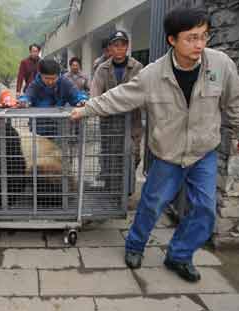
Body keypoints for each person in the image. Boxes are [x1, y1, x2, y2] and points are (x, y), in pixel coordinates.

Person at [71, 7, 239, 282]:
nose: (200, 44)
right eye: (191, 38)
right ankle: (135, 246)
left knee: (205, 209)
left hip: (203, 152)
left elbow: (234, 103)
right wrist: (86, 109)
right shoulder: (152, 74)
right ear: (172, 40)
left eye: (204, 37)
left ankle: (179, 255)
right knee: (151, 204)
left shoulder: (220, 65)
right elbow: (119, 97)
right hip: (167, 153)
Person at [91, 30, 144, 192]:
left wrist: (114, 103)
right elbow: (95, 93)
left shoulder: (137, 67)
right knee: (109, 156)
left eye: (123, 45)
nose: (119, 49)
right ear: (110, 48)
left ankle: (126, 190)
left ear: (127, 47)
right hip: (109, 122)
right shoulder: (102, 69)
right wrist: (96, 105)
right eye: (115, 45)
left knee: (132, 154)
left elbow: (139, 92)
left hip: (132, 122)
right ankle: (112, 191)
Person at [19, 58, 88, 136]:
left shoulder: (64, 82)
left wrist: (82, 100)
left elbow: (75, 94)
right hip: (39, 127)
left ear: (58, 75)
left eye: (53, 78)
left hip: (59, 127)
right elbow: (28, 96)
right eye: (47, 78)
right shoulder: (35, 85)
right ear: (40, 74)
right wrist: (24, 101)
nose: (50, 82)